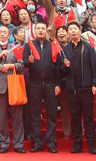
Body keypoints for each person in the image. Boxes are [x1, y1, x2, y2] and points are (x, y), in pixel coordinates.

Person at [60, 21, 96, 155]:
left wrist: (95, 84)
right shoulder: (65, 49)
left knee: (88, 118)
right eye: (70, 29)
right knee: (75, 117)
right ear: (68, 33)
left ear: (80, 31)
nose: (73, 31)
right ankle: (77, 144)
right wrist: (65, 66)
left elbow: (94, 66)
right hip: (72, 89)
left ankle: (92, 144)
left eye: (75, 29)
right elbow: (61, 71)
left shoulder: (88, 47)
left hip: (86, 88)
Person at [21, 19, 61, 154]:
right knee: (34, 114)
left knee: (52, 114)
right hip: (34, 84)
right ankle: (37, 142)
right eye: (38, 29)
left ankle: (51, 143)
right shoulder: (29, 45)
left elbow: (58, 66)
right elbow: (24, 62)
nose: (40, 31)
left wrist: (57, 84)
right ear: (34, 31)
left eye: (43, 29)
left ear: (46, 31)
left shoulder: (53, 45)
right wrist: (29, 61)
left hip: (50, 84)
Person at [0, 24, 26, 154]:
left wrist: (11, 66)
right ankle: (4, 144)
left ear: (9, 36)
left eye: (5, 32)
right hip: (0, 86)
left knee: (17, 117)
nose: (3, 34)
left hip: (14, 85)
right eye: (0, 32)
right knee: (2, 117)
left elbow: (22, 65)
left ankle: (18, 144)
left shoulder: (15, 48)